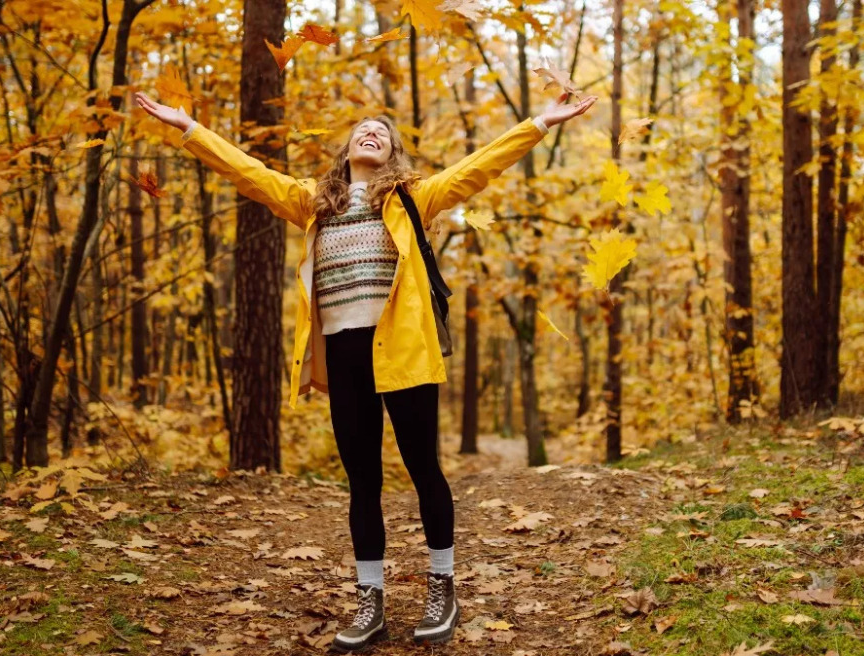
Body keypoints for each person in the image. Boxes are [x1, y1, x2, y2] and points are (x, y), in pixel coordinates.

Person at [135, 87, 597, 652]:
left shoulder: (411, 199)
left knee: (424, 467)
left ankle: (442, 585)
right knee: (363, 483)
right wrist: (189, 128)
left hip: (403, 352)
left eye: (381, 130)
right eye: (361, 129)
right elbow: (249, 171)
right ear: (348, 149)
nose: (370, 132)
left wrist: (539, 123)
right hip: (343, 355)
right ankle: (370, 599)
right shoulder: (313, 203)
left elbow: (479, 167)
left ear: (394, 152)